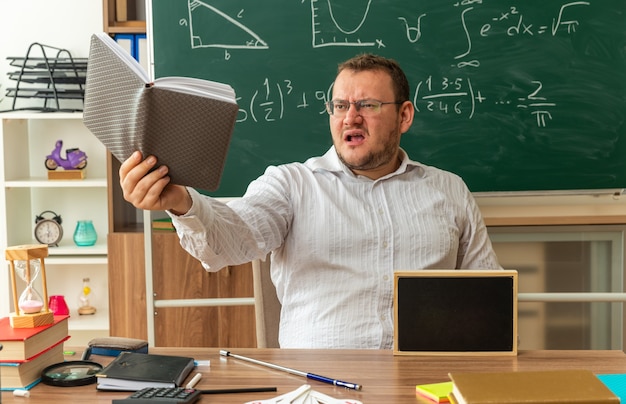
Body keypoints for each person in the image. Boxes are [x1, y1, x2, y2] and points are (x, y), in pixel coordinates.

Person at [119, 53, 501, 349]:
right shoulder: (292, 184)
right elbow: (229, 239)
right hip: (319, 381)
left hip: (426, 382)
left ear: (404, 116)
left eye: (367, 105)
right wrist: (181, 201)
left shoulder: (449, 191)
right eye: (339, 106)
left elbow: (492, 300)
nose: (350, 117)